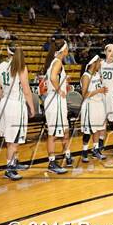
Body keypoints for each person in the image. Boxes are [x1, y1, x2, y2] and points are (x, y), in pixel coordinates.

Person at [0, 42, 35, 180]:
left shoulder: (0, 66)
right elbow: (27, 90)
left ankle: (14, 162)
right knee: (14, 140)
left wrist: (5, 98)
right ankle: (8, 168)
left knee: (10, 137)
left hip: (5, 103)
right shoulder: (21, 67)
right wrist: (32, 107)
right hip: (16, 105)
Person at [43, 41, 71, 174]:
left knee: (65, 129)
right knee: (53, 134)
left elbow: (54, 77)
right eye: (67, 49)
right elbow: (54, 78)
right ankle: (52, 162)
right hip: (55, 100)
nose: (68, 51)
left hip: (55, 101)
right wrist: (60, 90)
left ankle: (67, 154)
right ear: (63, 50)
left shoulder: (55, 62)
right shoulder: (58, 62)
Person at [80, 55, 108, 162]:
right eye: (99, 62)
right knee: (88, 131)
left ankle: (95, 150)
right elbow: (84, 94)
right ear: (93, 63)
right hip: (89, 105)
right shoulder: (86, 76)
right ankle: (84, 151)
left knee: (97, 129)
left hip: (98, 104)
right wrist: (98, 91)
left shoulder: (97, 74)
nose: (100, 63)